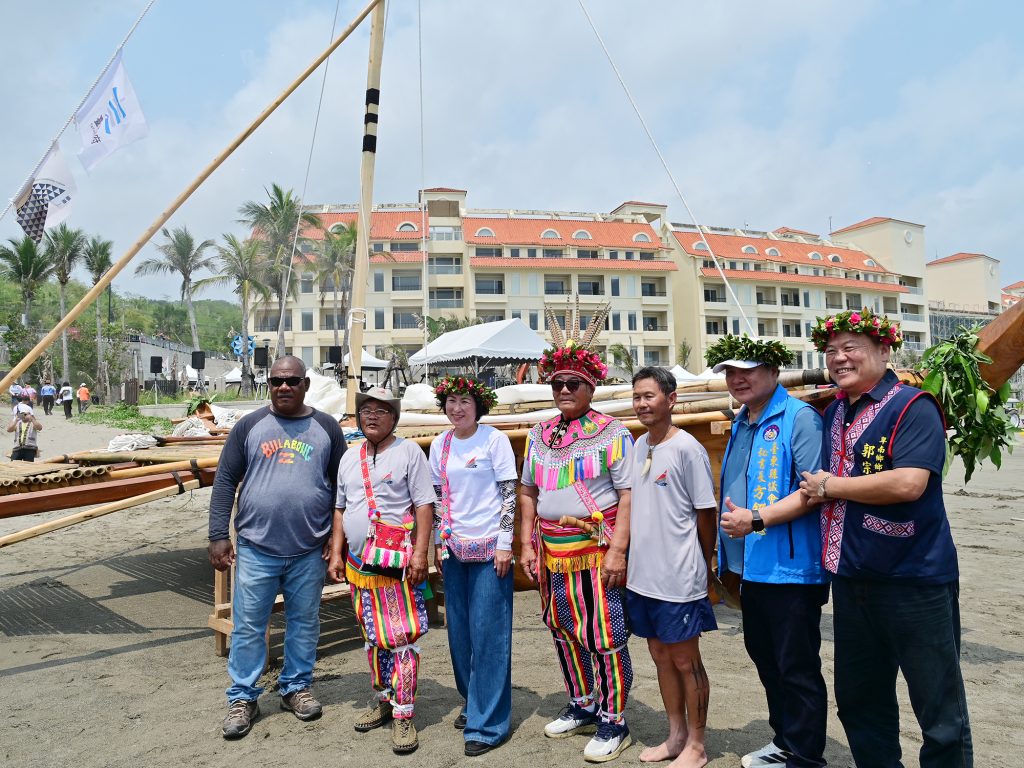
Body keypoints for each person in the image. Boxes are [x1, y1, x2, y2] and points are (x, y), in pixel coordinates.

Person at [722, 309, 973, 768]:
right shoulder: (835, 411)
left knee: (938, 708)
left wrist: (830, 486)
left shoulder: (912, 406)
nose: (839, 358)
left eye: (851, 348)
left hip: (913, 578)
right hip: (851, 577)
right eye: (832, 350)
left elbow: (909, 483)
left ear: (884, 350)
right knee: (860, 700)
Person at [519, 305, 636, 763]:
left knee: (604, 634)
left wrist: (618, 551)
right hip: (551, 551)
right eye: (557, 384)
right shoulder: (539, 433)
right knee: (563, 629)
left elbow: (628, 495)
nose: (564, 390)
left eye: (573, 383)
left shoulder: (612, 432)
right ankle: (583, 703)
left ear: (591, 386)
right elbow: (528, 491)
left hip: (594, 550)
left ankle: (614, 719)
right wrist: (526, 544)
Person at [207, 355, 346, 740]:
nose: (284, 386)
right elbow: (225, 480)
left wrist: (338, 539)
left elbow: (343, 487)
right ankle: (243, 697)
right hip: (256, 547)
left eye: (292, 381)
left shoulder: (327, 428)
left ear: (306, 385)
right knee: (250, 626)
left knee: (304, 622)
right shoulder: (249, 426)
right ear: (268, 384)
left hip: (308, 549)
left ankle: (295, 688)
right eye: (276, 381)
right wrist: (218, 534)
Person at [708, 336, 828, 768]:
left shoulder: (800, 417)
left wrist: (756, 519)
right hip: (751, 566)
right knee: (766, 658)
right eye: (730, 372)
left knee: (796, 665)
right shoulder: (742, 419)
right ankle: (785, 741)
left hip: (790, 568)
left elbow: (814, 490)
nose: (737, 379)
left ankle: (805, 755)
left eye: (748, 370)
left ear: (774, 371)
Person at [327, 386, 434, 755]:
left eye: (381, 410)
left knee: (400, 638)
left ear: (395, 417)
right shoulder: (349, 457)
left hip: (394, 565)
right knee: (372, 638)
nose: (372, 416)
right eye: (366, 410)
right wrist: (336, 554)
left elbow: (424, 506)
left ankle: (404, 714)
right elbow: (340, 509)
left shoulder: (409, 453)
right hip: (358, 566)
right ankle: (385, 700)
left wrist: (421, 555)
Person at [626, 367, 718, 768]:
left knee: (685, 659)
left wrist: (704, 563)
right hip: (643, 576)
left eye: (649, 396)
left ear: (671, 399)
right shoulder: (639, 445)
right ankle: (676, 734)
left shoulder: (687, 448)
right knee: (660, 654)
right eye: (637, 397)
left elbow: (705, 513)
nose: (642, 404)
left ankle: (697, 744)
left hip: (679, 577)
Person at [428, 376, 516, 757]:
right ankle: (472, 699)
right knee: (459, 635)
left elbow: (509, 494)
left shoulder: (493, 440)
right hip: (453, 549)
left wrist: (505, 544)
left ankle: (489, 723)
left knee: (489, 634)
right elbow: (437, 498)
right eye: (451, 400)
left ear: (479, 405)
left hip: (490, 548)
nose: (457, 407)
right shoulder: (440, 444)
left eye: (465, 400)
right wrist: (437, 542)